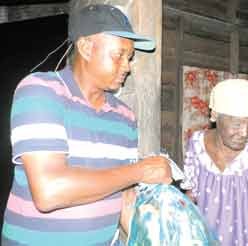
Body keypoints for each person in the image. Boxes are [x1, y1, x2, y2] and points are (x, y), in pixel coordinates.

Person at [1, 4, 172, 246]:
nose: (127, 66)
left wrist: (157, 238)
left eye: (130, 57)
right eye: (119, 55)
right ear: (86, 48)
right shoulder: (41, 91)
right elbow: (49, 191)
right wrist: (141, 170)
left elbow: (122, 194)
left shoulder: (124, 116)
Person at [181, 79, 248, 245]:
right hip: (208, 237)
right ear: (214, 115)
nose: (245, 132)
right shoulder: (196, 144)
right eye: (236, 123)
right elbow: (191, 194)